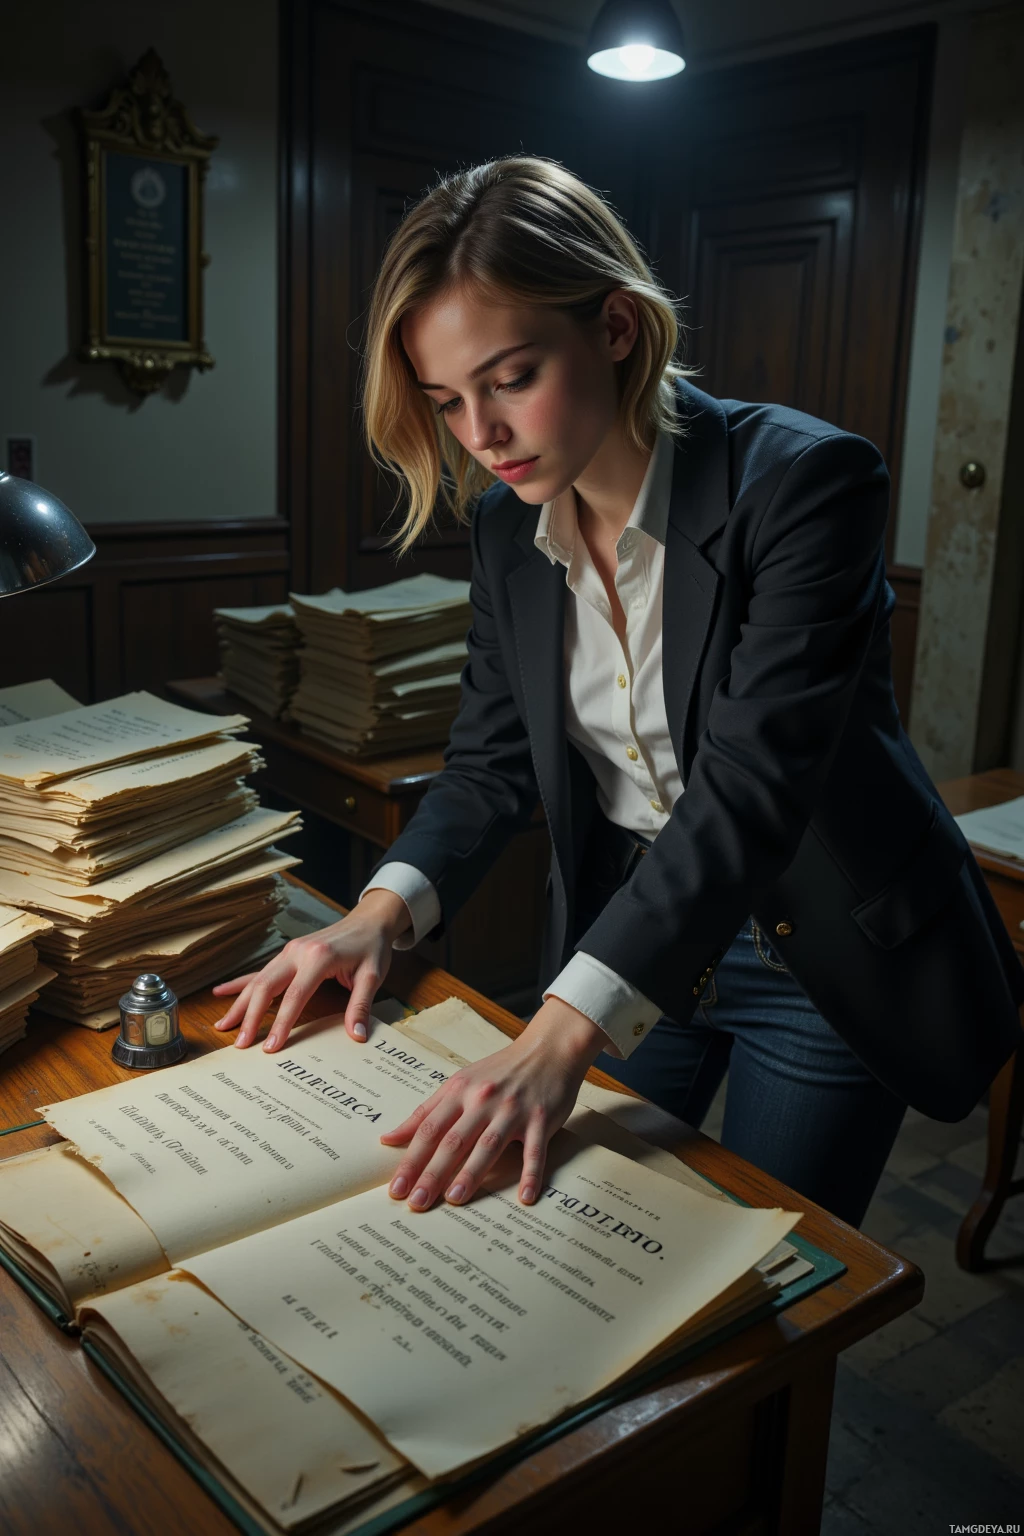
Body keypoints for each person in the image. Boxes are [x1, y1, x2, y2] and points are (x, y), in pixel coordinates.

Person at [213, 156, 1024, 1230]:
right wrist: (376, 915)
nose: (479, 436)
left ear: (616, 328)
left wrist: (556, 1032)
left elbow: (745, 793)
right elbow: (490, 763)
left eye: (507, 379)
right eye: (448, 400)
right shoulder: (508, 525)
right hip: (633, 932)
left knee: (758, 1288)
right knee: (578, 1234)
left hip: (820, 954)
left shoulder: (804, 484)